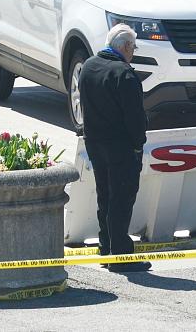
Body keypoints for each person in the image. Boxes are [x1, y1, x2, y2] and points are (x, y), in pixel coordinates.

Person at [79, 24, 151, 272]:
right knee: (121, 199)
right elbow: (135, 118)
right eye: (133, 48)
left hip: (95, 143)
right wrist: (138, 144)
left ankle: (106, 246)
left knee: (105, 196)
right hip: (120, 147)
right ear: (126, 47)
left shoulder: (88, 67)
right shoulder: (124, 74)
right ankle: (120, 255)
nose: (133, 53)